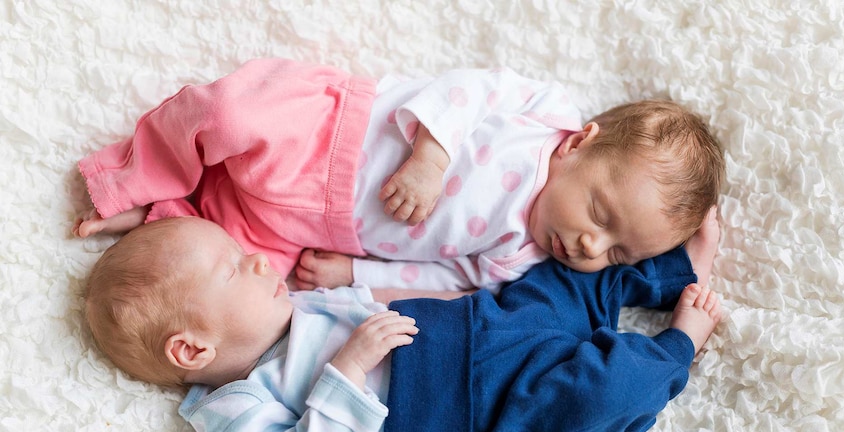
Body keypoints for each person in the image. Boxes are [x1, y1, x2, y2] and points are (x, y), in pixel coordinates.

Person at [82, 214, 721, 432]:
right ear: (193, 349)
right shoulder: (232, 409)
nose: (255, 259)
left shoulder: (296, 304)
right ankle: (678, 345)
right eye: (231, 269)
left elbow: (381, 297)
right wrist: (347, 372)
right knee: (590, 397)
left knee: (557, 285)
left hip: (467, 336)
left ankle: (673, 274)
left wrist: (476, 303)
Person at [74, 58, 724, 293]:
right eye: (602, 217)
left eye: (616, 254)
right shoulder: (543, 115)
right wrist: (432, 156)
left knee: (232, 283)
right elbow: (471, 89)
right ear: (582, 144)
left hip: (310, 228)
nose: (589, 247)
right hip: (330, 135)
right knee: (230, 112)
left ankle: (154, 219)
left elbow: (444, 279)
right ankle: (133, 174)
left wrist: (358, 273)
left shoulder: (516, 256)